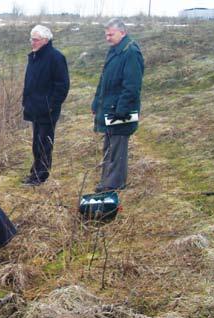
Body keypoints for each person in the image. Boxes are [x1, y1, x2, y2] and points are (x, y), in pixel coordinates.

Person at [91, 18, 144, 193]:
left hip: (120, 111)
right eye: (106, 34)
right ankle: (106, 180)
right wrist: (96, 102)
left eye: (111, 34)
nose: (107, 37)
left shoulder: (131, 53)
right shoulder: (114, 51)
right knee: (109, 147)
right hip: (108, 110)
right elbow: (104, 80)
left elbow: (132, 87)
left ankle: (114, 185)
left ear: (123, 32)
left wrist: (121, 111)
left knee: (118, 148)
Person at [22, 24, 70, 186]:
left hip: (47, 110)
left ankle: (40, 177)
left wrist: (50, 105)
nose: (32, 42)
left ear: (45, 40)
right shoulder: (35, 56)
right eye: (31, 39)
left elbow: (62, 86)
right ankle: (35, 172)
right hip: (34, 108)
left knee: (44, 143)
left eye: (35, 40)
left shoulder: (56, 57)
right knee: (37, 143)